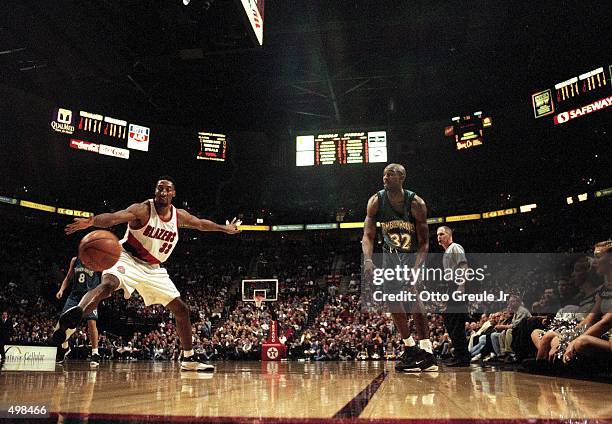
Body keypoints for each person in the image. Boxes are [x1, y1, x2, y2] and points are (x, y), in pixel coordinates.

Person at [55, 176, 241, 371]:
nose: (163, 192)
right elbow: (114, 217)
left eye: (167, 189)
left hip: (154, 268)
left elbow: (201, 224)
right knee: (108, 285)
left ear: (173, 193)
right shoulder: (143, 209)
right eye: (159, 188)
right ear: (155, 191)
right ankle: (76, 313)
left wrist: (224, 228)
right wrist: (92, 221)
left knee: (182, 310)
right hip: (126, 257)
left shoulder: (179, 216)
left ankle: (188, 359)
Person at [362, 163, 437, 372]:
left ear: (401, 177)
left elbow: (424, 243)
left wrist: (416, 270)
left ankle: (427, 352)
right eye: (384, 174)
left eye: (391, 174)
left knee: (413, 297)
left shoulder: (416, 204)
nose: (385, 177)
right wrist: (368, 260)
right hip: (389, 255)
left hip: (411, 254)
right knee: (392, 300)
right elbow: (368, 235)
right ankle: (410, 348)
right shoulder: (376, 201)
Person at [54, 257, 102, 366]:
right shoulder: (75, 260)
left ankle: (95, 353)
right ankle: (64, 348)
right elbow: (68, 277)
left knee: (91, 322)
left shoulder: (97, 260)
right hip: (74, 296)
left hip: (89, 296)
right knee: (63, 324)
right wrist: (61, 290)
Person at [436, 225, 471, 366]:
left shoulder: (455, 248)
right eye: (438, 235)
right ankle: (459, 354)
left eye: (442, 234)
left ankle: (462, 357)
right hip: (452, 287)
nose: (439, 237)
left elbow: (463, 267)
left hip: (457, 286)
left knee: (456, 323)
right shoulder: (447, 252)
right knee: (450, 322)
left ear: (449, 235)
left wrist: (461, 287)